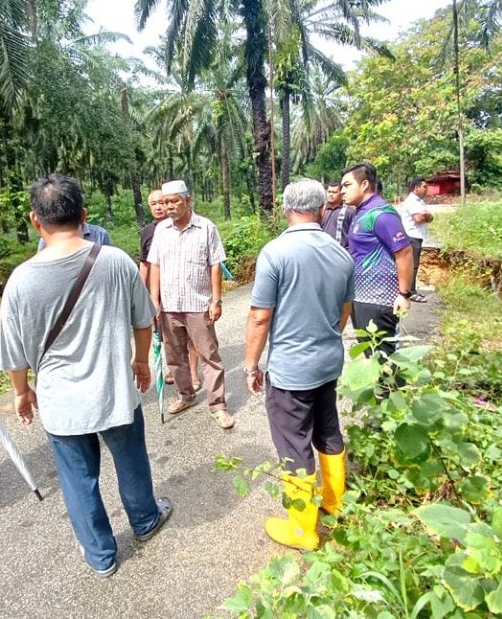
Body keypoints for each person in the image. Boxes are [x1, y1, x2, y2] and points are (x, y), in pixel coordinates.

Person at [0, 175, 172, 579]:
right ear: (84, 215)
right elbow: (144, 319)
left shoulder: (20, 281)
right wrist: (141, 361)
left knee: (78, 479)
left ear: (34, 221)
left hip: (61, 403)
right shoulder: (114, 261)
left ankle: (100, 555)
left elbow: (13, 353)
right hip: (115, 392)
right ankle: (145, 521)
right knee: (131, 463)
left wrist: (21, 393)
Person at [244, 180, 354, 551]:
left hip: (291, 371)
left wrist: (250, 365)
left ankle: (303, 529)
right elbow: (344, 311)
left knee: (294, 444)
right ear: (323, 210)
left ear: (284, 209)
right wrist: (325, 337)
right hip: (328, 363)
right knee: (327, 429)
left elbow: (260, 318)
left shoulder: (275, 253)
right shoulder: (342, 255)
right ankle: (335, 505)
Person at [147, 180, 234, 429]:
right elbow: (155, 265)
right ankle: (186, 396)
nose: (169, 207)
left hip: (198, 304)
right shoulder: (161, 231)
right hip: (169, 306)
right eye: (165, 202)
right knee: (175, 357)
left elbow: (215, 265)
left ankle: (218, 405)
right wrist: (154, 300)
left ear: (188, 200)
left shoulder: (206, 228)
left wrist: (216, 300)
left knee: (210, 356)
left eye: (174, 201)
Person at [341, 162, 414, 358]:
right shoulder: (360, 212)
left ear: (364, 184)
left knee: (385, 360)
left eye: (347, 185)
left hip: (380, 301)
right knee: (371, 357)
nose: (342, 191)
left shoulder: (381, 214)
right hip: (362, 298)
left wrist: (404, 294)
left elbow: (405, 252)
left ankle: (392, 390)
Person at [139, 188, 200, 389]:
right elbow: (145, 263)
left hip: (185, 291)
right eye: (153, 204)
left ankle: (192, 372)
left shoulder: (187, 227)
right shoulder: (149, 232)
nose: (158, 207)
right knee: (168, 337)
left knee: (190, 335)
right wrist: (143, 293)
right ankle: (176, 370)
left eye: (161, 202)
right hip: (160, 293)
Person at [400, 177, 433, 303]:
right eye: (424, 187)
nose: (426, 189)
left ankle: (409, 290)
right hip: (411, 237)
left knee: (414, 265)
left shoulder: (419, 201)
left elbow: (429, 218)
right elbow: (419, 218)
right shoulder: (412, 201)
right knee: (412, 266)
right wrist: (427, 216)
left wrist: (427, 216)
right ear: (416, 188)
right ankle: (410, 292)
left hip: (417, 237)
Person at [321, 179, 355, 248]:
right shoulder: (322, 210)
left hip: (342, 251)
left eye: (334, 192)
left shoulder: (349, 211)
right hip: (324, 250)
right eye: (329, 192)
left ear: (341, 193)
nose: (331, 194)